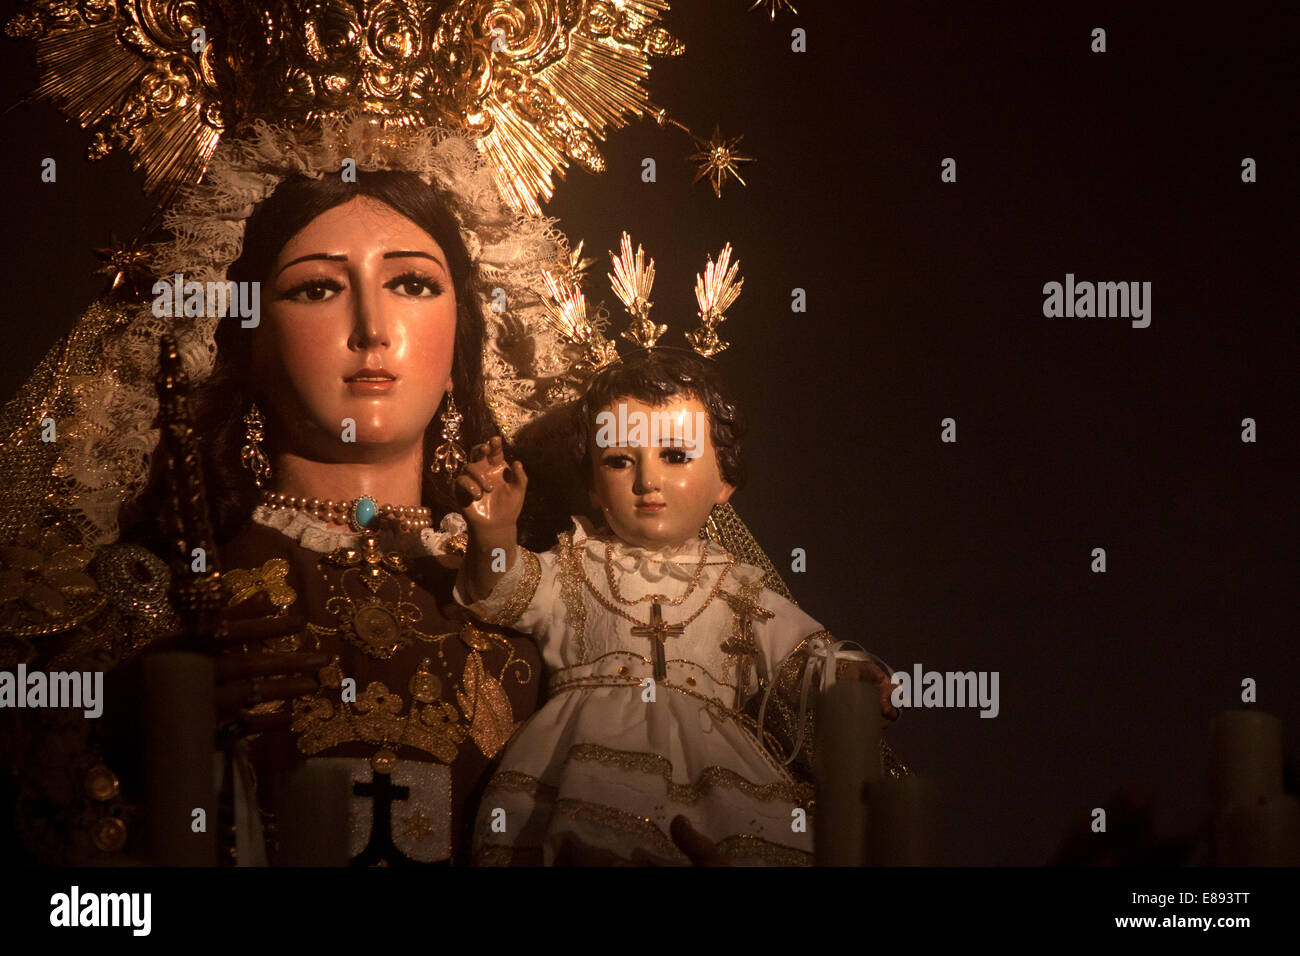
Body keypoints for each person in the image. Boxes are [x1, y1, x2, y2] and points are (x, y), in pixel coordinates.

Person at [454, 349, 900, 865]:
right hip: (577, 764)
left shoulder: (737, 587)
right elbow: (501, 592)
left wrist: (847, 677)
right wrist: (493, 531)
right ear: (594, 486)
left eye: (675, 456)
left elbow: (801, 657)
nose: (647, 481)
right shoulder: (573, 566)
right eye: (620, 461)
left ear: (724, 481)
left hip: (717, 768)